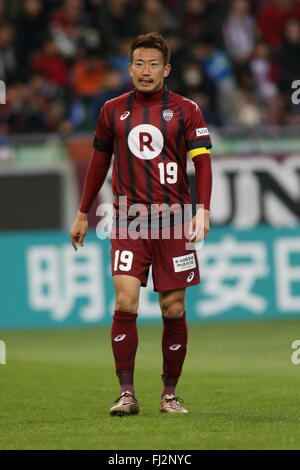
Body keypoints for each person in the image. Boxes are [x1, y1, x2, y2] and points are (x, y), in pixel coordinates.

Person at [70, 32, 212, 416]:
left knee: (173, 310)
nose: (145, 71)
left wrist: (203, 209)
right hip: (129, 220)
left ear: (166, 69)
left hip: (174, 222)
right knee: (125, 301)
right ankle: (126, 393)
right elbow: (99, 163)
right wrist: (83, 212)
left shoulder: (186, 109)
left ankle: (169, 393)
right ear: (129, 67)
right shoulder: (111, 110)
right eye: (138, 64)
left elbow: (202, 162)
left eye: (153, 64)